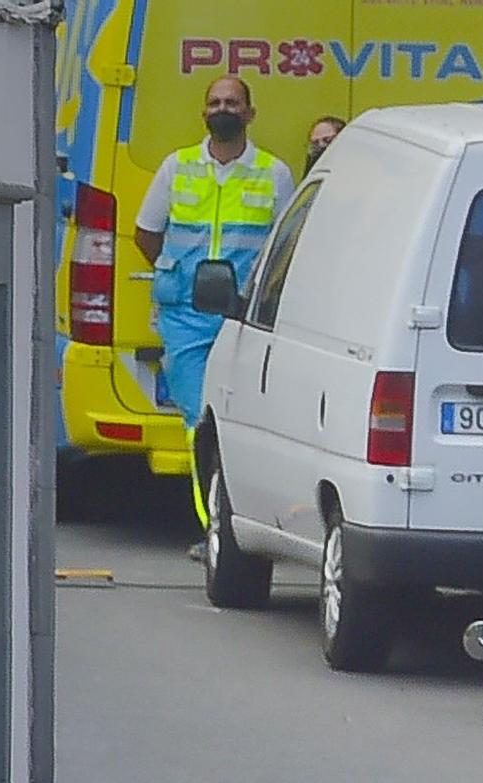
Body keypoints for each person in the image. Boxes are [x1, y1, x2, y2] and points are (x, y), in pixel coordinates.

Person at [134, 77, 296, 543]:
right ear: (203, 112)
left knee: (243, 423)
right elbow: (147, 233)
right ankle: (216, 531)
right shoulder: (177, 167)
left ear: (250, 113)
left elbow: (284, 245)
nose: (223, 108)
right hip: (186, 315)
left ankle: (239, 522)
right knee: (198, 423)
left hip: (243, 317)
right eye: (215, 102)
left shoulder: (273, 173)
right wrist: (181, 274)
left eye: (232, 102)